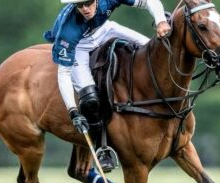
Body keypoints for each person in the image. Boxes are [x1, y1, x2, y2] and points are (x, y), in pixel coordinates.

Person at [44, 0, 171, 173]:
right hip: (79, 46)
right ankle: (102, 149)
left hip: (106, 30)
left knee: (152, 50)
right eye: (80, 5)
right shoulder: (68, 30)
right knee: (90, 101)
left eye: (88, 3)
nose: (85, 9)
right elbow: (63, 74)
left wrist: (160, 20)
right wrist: (73, 111)